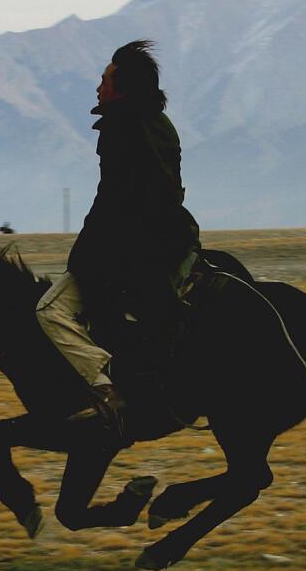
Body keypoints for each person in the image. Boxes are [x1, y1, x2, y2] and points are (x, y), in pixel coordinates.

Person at [36, 40, 201, 428]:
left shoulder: (120, 128)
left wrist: (82, 258)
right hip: (173, 239)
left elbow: (112, 203)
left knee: (49, 309)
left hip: (130, 249)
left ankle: (103, 387)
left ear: (121, 89)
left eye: (104, 80)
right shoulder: (161, 124)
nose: (97, 87)